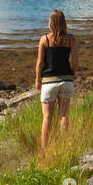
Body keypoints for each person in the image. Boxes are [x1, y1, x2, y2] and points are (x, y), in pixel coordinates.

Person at [35, 9, 79, 152]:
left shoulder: (45, 40)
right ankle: (64, 147)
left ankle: (44, 149)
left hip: (49, 82)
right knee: (64, 115)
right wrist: (71, 74)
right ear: (64, 22)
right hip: (67, 81)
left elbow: (40, 63)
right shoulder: (71, 39)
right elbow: (76, 62)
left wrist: (37, 80)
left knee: (47, 117)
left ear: (51, 23)